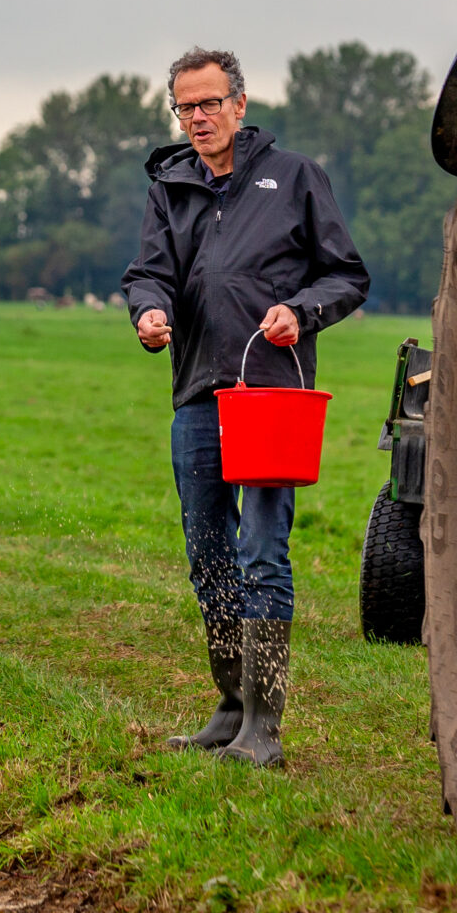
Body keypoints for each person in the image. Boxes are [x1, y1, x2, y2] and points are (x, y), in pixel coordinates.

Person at [121, 47, 368, 770]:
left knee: (263, 552)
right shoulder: (170, 186)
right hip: (198, 392)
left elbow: (347, 274)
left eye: (209, 102)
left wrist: (302, 308)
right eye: (185, 107)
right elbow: (148, 273)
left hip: (270, 397)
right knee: (209, 555)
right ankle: (229, 706)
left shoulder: (294, 176)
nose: (197, 117)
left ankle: (265, 724)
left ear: (240, 102)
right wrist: (148, 313)